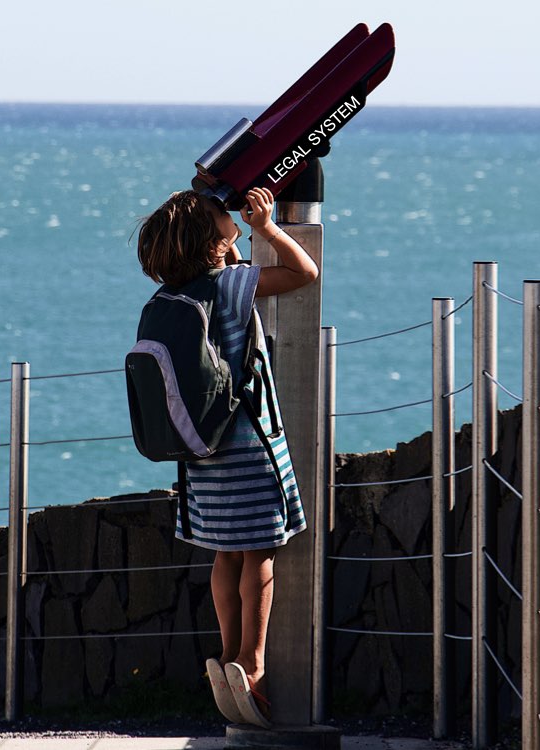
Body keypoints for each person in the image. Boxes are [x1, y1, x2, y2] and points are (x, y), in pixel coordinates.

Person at [135, 187, 318, 728]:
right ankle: (252, 664)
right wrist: (266, 228)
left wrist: (228, 240)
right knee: (259, 552)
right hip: (248, 445)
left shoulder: (171, 296)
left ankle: (228, 651)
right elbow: (303, 273)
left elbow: (225, 274)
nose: (230, 212)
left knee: (226, 554)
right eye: (222, 212)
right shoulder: (232, 285)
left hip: (200, 451)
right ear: (211, 240)